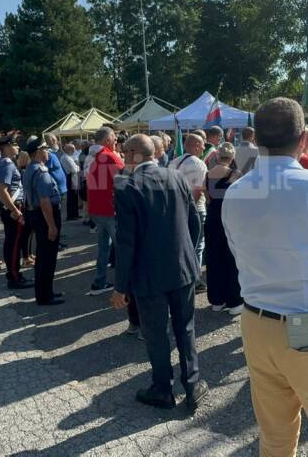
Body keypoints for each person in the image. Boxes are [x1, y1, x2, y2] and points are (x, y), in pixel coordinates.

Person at [221, 97, 308, 456]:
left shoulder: (237, 192)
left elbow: (239, 255)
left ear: (255, 140)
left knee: (275, 434)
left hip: (256, 323)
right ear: (304, 138)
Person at [110, 134, 206, 411]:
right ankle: (192, 384)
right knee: (185, 327)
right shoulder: (176, 177)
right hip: (182, 267)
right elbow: (193, 221)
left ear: (131, 154)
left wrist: (121, 285)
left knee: (156, 332)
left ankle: (163, 388)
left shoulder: (128, 186)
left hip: (148, 273)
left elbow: (126, 240)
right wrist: (190, 257)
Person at [23, 136, 64, 305]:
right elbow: (45, 201)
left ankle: (45, 292)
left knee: (42, 256)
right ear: (39, 152)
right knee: (47, 257)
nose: (47, 152)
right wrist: (52, 226)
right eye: (45, 149)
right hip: (45, 216)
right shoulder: (40, 171)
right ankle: (45, 296)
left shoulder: (30, 168)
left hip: (37, 215)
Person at [204, 142, 243, 315]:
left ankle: (216, 300)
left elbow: (208, 199)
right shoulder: (236, 174)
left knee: (213, 259)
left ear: (217, 156)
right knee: (231, 259)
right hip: (230, 220)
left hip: (212, 220)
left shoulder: (208, 174)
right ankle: (234, 301)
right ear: (232, 157)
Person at [85, 127, 122, 295]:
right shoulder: (109, 156)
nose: (117, 141)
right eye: (114, 138)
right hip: (110, 210)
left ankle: (98, 282)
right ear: (107, 140)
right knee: (122, 248)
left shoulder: (94, 158)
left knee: (103, 248)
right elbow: (126, 180)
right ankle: (123, 286)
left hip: (97, 210)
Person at [0, 134, 33, 290]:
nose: (17, 148)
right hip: (12, 208)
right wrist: (15, 209)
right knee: (14, 243)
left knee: (11, 242)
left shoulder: (1, 163)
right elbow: (1, 190)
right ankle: (15, 277)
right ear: (7, 147)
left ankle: (14, 274)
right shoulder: (7, 164)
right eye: (15, 145)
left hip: (8, 208)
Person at [170, 134, 209, 289]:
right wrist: (189, 211)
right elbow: (197, 191)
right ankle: (195, 279)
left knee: (180, 245)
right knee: (197, 245)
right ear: (196, 146)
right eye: (202, 145)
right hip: (194, 210)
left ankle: (179, 275)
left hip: (175, 209)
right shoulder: (199, 164)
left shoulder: (173, 162)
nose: (204, 148)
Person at [44, 133, 69, 248]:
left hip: (60, 190)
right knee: (55, 218)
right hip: (55, 191)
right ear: (51, 141)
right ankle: (55, 243)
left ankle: (57, 240)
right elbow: (46, 172)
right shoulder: (48, 154)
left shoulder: (53, 154)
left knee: (58, 217)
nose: (57, 142)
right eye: (55, 140)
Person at [59, 143, 81, 221]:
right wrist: (79, 166)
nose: (74, 151)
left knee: (74, 196)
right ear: (69, 149)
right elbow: (74, 169)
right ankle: (71, 215)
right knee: (72, 197)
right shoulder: (66, 157)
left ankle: (75, 214)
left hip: (72, 176)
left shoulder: (67, 157)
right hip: (71, 176)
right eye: (73, 149)